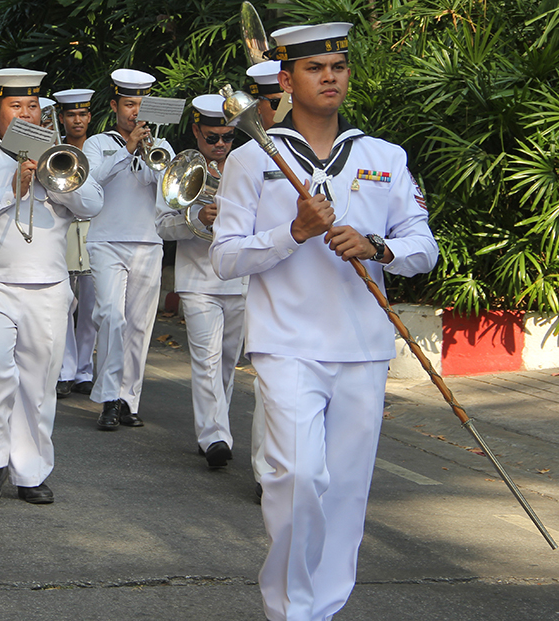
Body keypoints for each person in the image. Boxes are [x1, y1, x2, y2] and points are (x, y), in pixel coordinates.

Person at [209, 23, 439, 621]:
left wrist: (377, 247)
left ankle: (324, 608)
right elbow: (225, 255)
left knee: (346, 493)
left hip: (362, 346)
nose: (330, 76)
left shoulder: (382, 156)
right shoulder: (251, 158)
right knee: (296, 477)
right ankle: (289, 609)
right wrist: (294, 233)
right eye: (315, 69)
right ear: (287, 80)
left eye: (338, 66)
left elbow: (423, 245)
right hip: (286, 344)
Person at [0, 68, 104, 507]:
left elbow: (93, 203)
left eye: (34, 106)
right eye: (17, 106)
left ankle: (30, 470)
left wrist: (58, 183)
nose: (28, 112)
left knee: (38, 386)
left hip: (48, 287)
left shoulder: (59, 157)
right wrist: (10, 189)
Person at [156, 93, 247, 470]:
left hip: (240, 278)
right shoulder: (180, 169)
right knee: (206, 360)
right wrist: (196, 219)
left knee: (228, 362)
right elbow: (162, 225)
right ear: (196, 131)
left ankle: (216, 427)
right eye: (213, 138)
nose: (221, 145)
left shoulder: (245, 166)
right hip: (197, 281)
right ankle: (214, 438)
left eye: (228, 137)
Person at [82, 69, 175, 430]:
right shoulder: (98, 143)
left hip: (148, 242)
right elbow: (92, 179)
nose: (135, 112)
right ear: (115, 105)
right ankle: (107, 397)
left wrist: (151, 153)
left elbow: (166, 188)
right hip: (106, 241)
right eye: (129, 104)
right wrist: (128, 148)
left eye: (141, 105)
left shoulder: (162, 146)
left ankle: (127, 399)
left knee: (139, 326)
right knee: (110, 316)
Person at [245, 59, 289, 500]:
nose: (282, 108)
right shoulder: (248, 158)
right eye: (273, 103)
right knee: (269, 389)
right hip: (262, 286)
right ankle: (265, 472)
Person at [52, 88, 98, 398]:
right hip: (66, 229)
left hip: (94, 230)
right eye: (71, 115)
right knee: (66, 302)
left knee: (92, 304)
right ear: (62, 118)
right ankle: (66, 369)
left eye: (82, 114)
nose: (77, 120)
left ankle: (84, 370)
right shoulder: (56, 150)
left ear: (90, 117)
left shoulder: (99, 148)